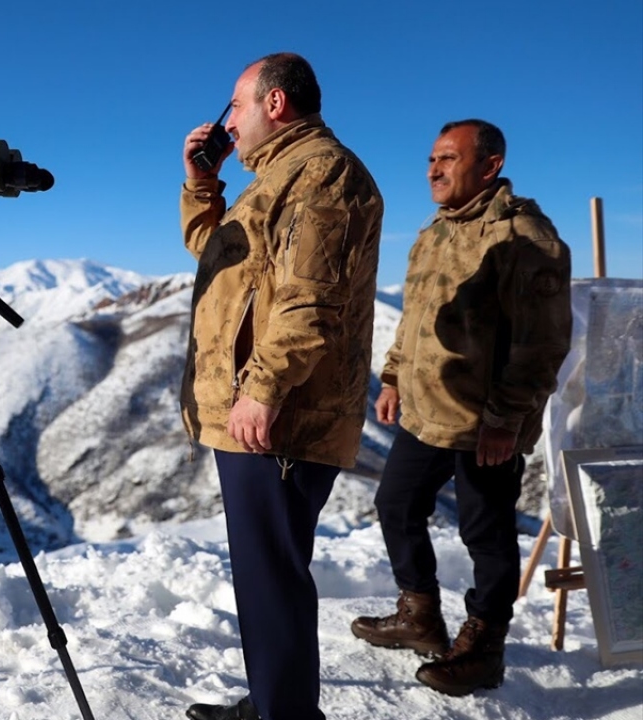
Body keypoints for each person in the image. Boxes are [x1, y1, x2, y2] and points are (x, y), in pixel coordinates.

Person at [178, 52, 384, 720]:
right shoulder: (275, 178)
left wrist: (263, 388)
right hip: (263, 411)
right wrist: (201, 184)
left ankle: (284, 713)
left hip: (285, 416)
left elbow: (311, 299)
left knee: (272, 577)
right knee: (264, 575)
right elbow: (219, 257)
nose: (226, 123)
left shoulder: (322, 175)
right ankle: (273, 701)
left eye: (233, 107)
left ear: (274, 104)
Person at [350, 119, 572, 696]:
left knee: (487, 533)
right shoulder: (435, 234)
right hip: (427, 410)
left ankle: (483, 647)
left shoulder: (524, 237)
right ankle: (419, 614)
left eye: (449, 158)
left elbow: (541, 343)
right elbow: (415, 320)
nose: (433, 169)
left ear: (490, 166)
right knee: (395, 503)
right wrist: (394, 377)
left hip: (484, 422)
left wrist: (505, 419)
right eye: (431, 159)